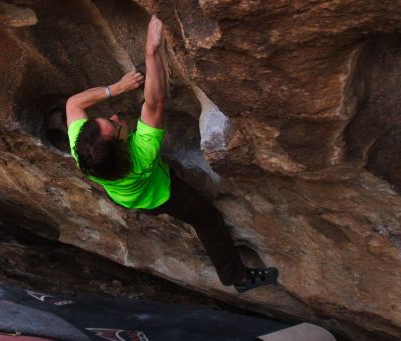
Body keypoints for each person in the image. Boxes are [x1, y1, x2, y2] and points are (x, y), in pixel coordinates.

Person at [66, 15, 278, 293]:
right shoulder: (142, 156)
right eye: (116, 126)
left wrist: (116, 88)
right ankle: (238, 278)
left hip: (125, 196)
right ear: (123, 149)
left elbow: (74, 103)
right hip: (160, 194)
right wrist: (152, 51)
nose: (116, 116)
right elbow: (155, 100)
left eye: (106, 119)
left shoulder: (83, 146)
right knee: (208, 220)